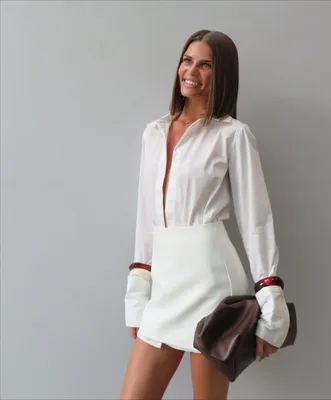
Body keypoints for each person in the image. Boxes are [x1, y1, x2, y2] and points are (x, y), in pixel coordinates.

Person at [120, 29, 290, 400]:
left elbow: (256, 221)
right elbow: (147, 217)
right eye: (187, 60)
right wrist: (139, 291)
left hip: (212, 287)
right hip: (165, 285)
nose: (191, 71)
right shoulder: (154, 133)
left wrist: (270, 299)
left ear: (222, 74)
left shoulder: (233, 135)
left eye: (205, 65)